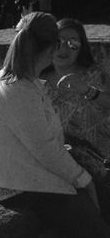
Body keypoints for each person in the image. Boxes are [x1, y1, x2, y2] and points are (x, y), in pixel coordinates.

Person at [0, 13, 110, 238]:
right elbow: (46, 151)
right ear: (50, 48)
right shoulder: (20, 91)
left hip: (23, 176)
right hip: (22, 186)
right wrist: (84, 181)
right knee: (95, 228)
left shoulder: (14, 81)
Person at [46, 18, 110, 205]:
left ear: (81, 46)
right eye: (58, 41)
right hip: (56, 157)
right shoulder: (37, 79)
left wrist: (87, 90)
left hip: (97, 159)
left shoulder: (94, 75)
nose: (64, 48)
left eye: (72, 42)